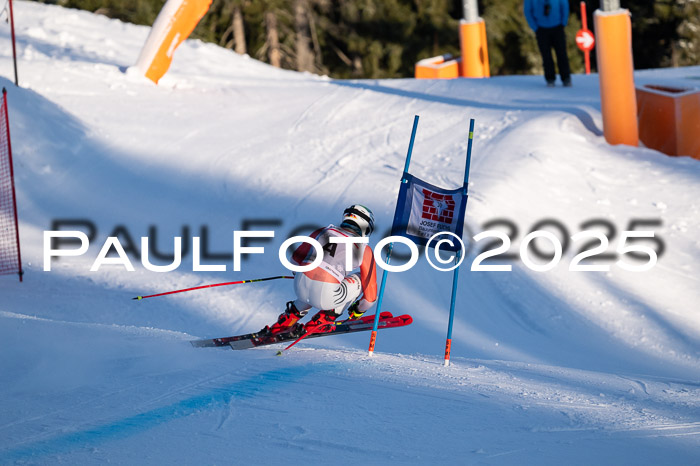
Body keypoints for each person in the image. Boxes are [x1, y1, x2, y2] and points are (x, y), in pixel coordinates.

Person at [261, 204, 378, 337]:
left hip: (300, 289)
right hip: (328, 296)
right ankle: (322, 321)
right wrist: (358, 310)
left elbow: (294, 260)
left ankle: (286, 321)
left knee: (313, 284)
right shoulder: (364, 249)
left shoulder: (323, 231)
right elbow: (370, 298)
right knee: (360, 279)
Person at [524, 0, 572, 87]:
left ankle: (566, 78)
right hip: (541, 29)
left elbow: (564, 6)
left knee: (562, 54)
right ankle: (550, 79)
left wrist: (563, 23)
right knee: (546, 56)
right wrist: (535, 28)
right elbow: (527, 11)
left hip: (558, 27)